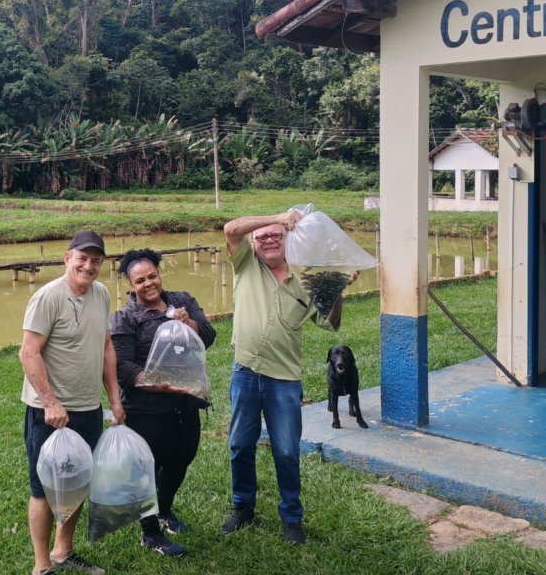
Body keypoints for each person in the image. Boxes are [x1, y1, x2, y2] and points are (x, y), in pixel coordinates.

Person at [221, 209, 346, 546]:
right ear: (254, 244)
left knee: (287, 451)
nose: (268, 239)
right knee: (239, 445)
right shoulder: (245, 264)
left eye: (275, 234)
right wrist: (276, 217)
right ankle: (242, 507)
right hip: (245, 371)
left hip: (284, 379)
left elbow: (330, 322)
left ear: (288, 239)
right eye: (261, 236)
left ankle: (292, 516)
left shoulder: (306, 280)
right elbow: (231, 228)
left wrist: (336, 291)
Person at [20, 230, 125, 575]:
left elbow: (107, 346)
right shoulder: (47, 297)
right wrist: (50, 403)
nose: (88, 265)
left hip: (88, 408)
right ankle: (41, 566)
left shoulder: (102, 294)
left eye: (96, 260)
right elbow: (28, 352)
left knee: (77, 481)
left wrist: (113, 398)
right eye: (82, 258)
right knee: (44, 488)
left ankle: (63, 551)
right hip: (48, 413)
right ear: (67, 258)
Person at [110, 248, 216, 558]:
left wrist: (189, 325)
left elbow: (208, 336)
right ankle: (150, 533)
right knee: (147, 467)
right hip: (147, 409)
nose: (148, 284)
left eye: (152, 276)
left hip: (185, 401)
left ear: (160, 273)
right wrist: (156, 384)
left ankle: (164, 509)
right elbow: (122, 365)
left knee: (181, 457)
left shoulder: (183, 301)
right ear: (131, 284)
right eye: (140, 280)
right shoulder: (125, 318)